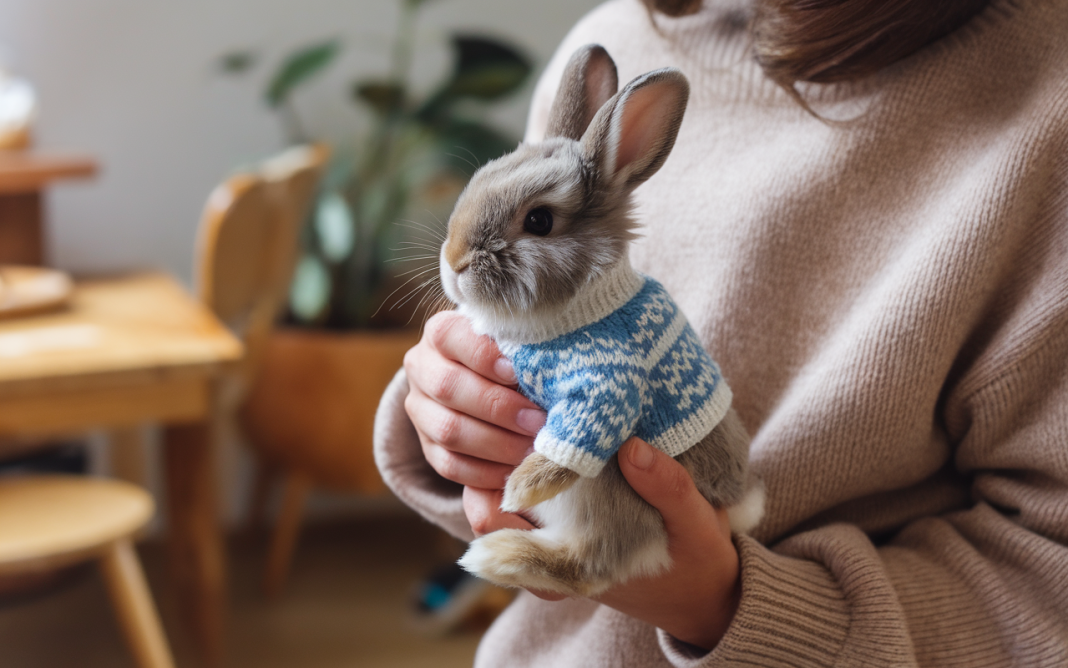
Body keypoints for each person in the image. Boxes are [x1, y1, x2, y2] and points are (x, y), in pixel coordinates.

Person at [374, 0, 1068, 664]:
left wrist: (724, 605)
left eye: (536, 223)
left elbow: (1046, 580)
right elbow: (520, 380)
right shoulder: (623, 34)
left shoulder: (1044, 103)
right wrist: (454, 415)